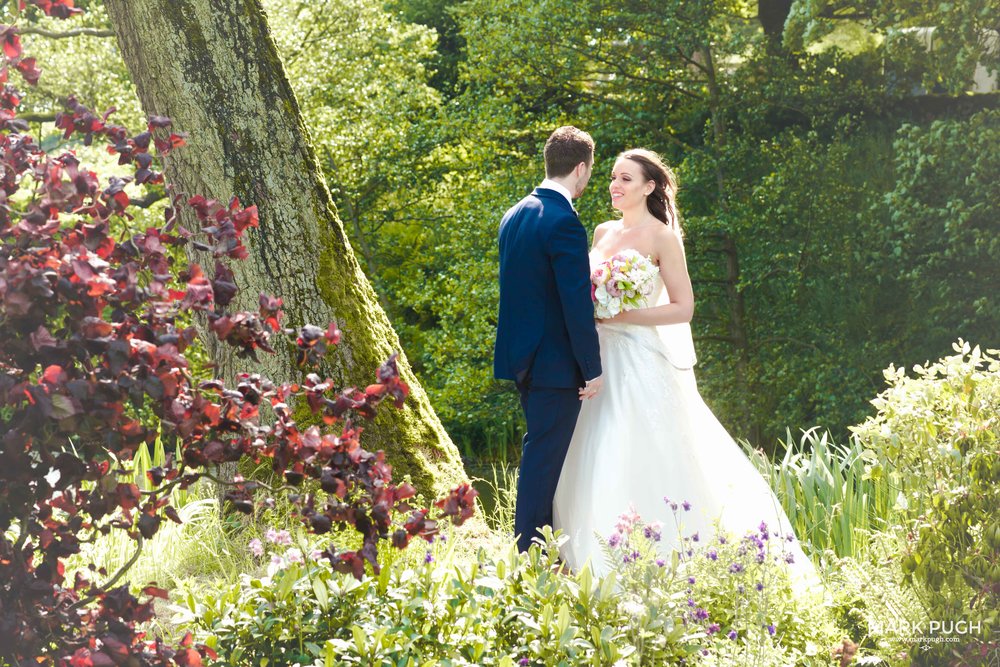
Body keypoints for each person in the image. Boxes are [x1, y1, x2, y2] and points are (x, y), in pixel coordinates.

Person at [553, 149, 816, 582]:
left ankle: (672, 564)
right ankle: (590, 563)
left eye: (626, 179)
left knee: (643, 448)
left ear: (650, 187)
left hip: (639, 356)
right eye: (613, 178)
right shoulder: (600, 231)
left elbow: (683, 307)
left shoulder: (662, 238)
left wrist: (625, 315)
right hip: (598, 357)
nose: (615, 186)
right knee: (593, 451)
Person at [494, 126, 604, 553]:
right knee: (542, 463)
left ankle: (538, 551)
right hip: (556, 365)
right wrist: (591, 368)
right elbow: (575, 303)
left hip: (524, 358)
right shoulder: (563, 222)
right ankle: (528, 557)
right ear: (581, 168)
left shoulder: (515, 213)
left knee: (542, 457)